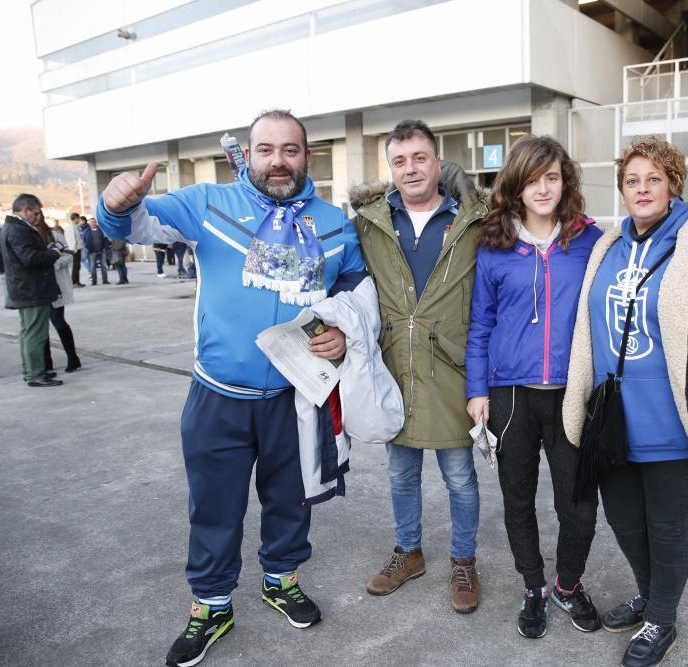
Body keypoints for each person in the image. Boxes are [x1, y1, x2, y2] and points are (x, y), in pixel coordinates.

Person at [97, 109, 366, 667]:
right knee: (214, 507)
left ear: (307, 156)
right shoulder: (207, 205)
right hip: (218, 396)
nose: (278, 160)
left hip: (297, 395)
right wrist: (116, 203)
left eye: (290, 150)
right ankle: (213, 604)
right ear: (250, 153)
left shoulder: (336, 223)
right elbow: (135, 225)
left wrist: (343, 332)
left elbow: (356, 290)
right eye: (266, 149)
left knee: (290, 500)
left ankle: (280, 579)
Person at [562, 136, 688, 667]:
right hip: (613, 422)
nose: (642, 188)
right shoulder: (608, 247)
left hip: (675, 422)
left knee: (667, 527)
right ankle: (652, 598)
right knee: (626, 522)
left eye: (654, 178)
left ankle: (662, 620)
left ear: (674, 184)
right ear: (622, 190)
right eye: (632, 180)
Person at [465, 135, 603, 638]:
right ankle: (534, 586)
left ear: (564, 180)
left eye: (552, 176)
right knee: (517, 498)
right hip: (511, 396)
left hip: (573, 394)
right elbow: (480, 324)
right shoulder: (495, 244)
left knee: (580, 504)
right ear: (516, 186)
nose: (543, 188)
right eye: (532, 179)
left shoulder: (590, 241)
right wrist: (477, 390)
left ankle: (568, 585)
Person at [350, 120, 486, 613]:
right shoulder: (370, 221)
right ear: (391, 168)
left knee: (459, 476)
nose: (411, 169)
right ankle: (408, 553)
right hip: (396, 367)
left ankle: (464, 560)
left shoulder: (475, 219)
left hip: (452, 369)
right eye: (400, 160)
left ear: (436, 161)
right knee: (400, 473)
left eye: (419, 158)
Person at [0, 194, 64, 388]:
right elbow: (30, 258)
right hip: (32, 290)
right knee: (36, 334)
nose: (38, 217)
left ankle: (31, 371)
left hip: (25, 289)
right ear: (25, 210)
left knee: (28, 332)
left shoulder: (11, 228)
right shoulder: (18, 230)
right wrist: (54, 253)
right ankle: (36, 374)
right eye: (36, 213)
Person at [34, 212, 82, 374]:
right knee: (42, 327)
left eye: (37, 216)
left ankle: (73, 358)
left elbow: (69, 256)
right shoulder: (27, 238)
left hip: (55, 286)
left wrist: (53, 264)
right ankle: (47, 362)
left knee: (58, 322)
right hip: (37, 288)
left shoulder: (54, 235)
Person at [81, 217, 109, 285]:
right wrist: (88, 248)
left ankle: (105, 280)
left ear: (96, 223)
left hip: (102, 250)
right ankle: (94, 281)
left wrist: (105, 247)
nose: (93, 223)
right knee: (93, 267)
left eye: (94, 222)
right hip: (92, 251)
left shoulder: (101, 230)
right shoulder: (86, 231)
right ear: (89, 223)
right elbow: (84, 241)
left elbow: (106, 239)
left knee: (104, 266)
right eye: (91, 222)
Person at [65, 213, 86, 287]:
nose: (79, 220)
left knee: (78, 266)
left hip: (79, 248)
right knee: (75, 267)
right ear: (75, 218)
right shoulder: (70, 227)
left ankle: (77, 281)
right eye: (78, 218)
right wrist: (74, 249)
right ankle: (74, 282)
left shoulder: (77, 227)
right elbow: (71, 239)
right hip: (74, 250)